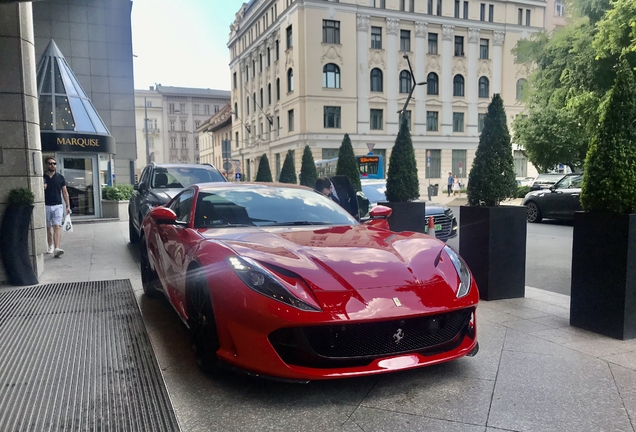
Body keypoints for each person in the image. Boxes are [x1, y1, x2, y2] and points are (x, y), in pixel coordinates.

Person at [43, 157, 70, 258]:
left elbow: (65, 192)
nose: (52, 165)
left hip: (57, 205)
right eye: (50, 163)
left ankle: (57, 248)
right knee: (48, 227)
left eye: (54, 163)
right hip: (46, 205)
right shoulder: (42, 177)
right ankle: (50, 245)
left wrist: (68, 205)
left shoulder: (60, 177)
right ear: (47, 165)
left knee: (57, 226)